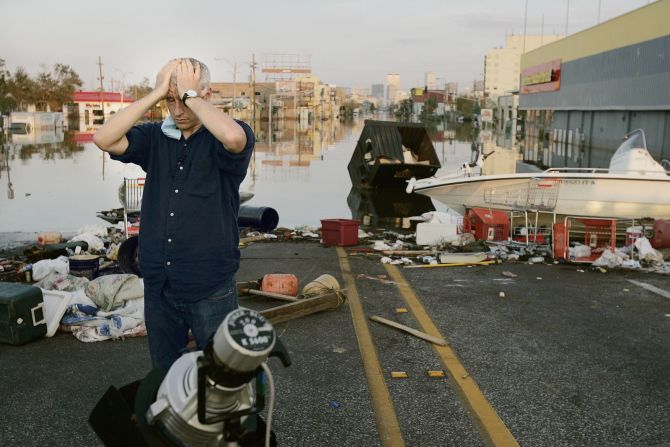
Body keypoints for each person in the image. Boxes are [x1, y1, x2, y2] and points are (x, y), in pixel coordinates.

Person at [93, 58, 255, 369]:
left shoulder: (225, 136)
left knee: (224, 375)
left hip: (209, 284)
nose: (178, 111)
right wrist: (157, 93)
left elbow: (235, 140)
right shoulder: (155, 137)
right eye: (171, 102)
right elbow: (104, 139)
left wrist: (189, 94)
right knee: (167, 375)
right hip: (159, 285)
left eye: (185, 100)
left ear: (205, 95)